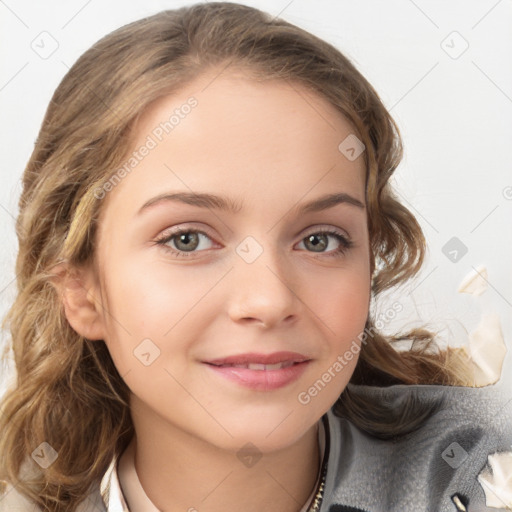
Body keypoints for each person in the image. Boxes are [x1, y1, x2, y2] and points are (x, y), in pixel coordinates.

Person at [0, 2, 510, 511]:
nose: (268, 300)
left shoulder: (482, 468)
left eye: (320, 239)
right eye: (187, 239)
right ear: (80, 290)